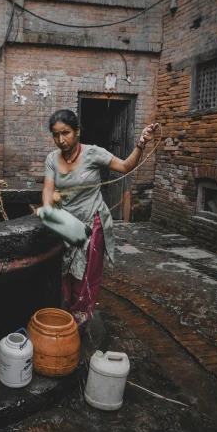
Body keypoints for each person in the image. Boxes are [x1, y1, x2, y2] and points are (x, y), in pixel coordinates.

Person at [41, 109, 157, 330]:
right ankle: (69, 313)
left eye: (65, 133)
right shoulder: (51, 159)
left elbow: (125, 167)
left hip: (92, 222)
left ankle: (80, 321)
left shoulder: (93, 154)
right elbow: (48, 190)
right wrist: (49, 212)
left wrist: (141, 144)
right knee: (65, 270)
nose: (61, 140)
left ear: (77, 132)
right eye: (55, 135)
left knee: (85, 274)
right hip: (67, 223)